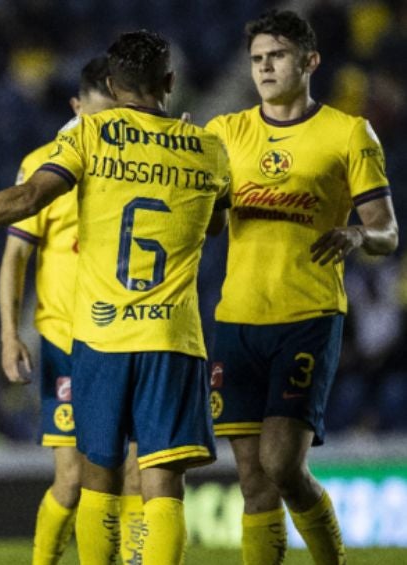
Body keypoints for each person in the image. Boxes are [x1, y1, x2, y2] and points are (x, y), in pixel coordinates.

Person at [0, 30, 230, 564]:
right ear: (169, 82)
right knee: (161, 487)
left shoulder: (90, 137)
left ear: (113, 88)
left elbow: (27, 197)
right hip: (172, 338)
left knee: (97, 479)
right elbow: (214, 227)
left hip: (98, 335)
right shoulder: (209, 148)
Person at [206, 10, 398, 565]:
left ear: (310, 61)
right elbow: (214, 224)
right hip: (238, 317)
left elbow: (388, 232)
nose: (265, 68)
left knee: (283, 465)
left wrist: (358, 234)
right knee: (251, 479)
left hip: (308, 315)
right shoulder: (225, 132)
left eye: (278, 56)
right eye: (257, 59)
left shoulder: (347, 133)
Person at [0, 56, 146, 565]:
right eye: (96, 117)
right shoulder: (46, 164)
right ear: (76, 106)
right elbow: (15, 255)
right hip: (65, 340)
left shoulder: (136, 164)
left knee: (134, 474)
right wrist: (8, 335)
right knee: (73, 477)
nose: (105, 128)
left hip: (127, 338)